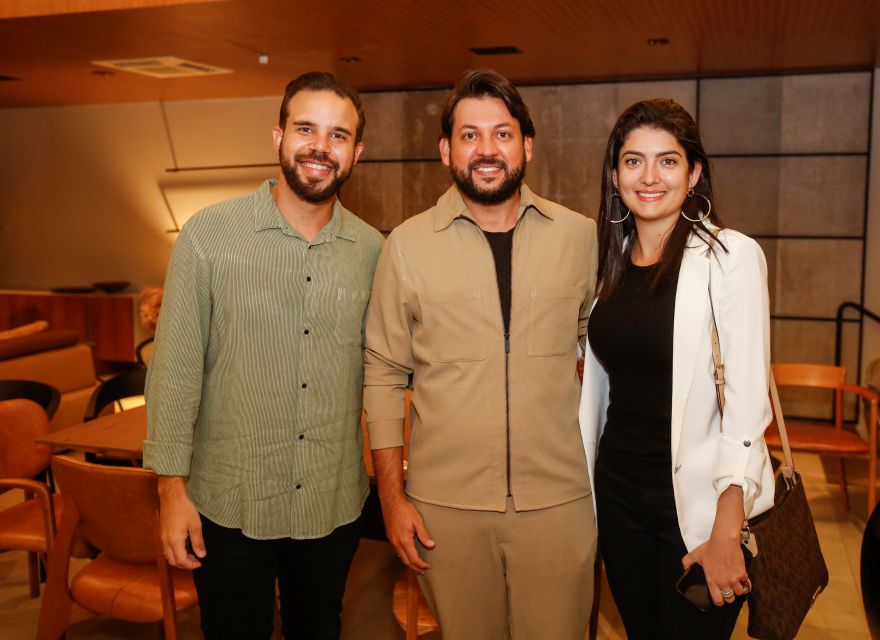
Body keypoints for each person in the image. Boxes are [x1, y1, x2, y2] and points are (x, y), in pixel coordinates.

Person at [143, 71, 382, 640]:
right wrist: (170, 491)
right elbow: (173, 374)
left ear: (357, 152)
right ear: (277, 136)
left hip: (331, 502)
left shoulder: (375, 252)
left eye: (338, 135)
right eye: (306, 129)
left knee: (319, 629)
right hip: (227, 502)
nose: (320, 147)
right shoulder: (208, 237)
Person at [363, 69, 598, 640]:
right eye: (470, 135)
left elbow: (607, 361)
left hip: (561, 504)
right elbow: (383, 375)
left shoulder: (581, 237)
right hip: (445, 509)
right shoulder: (406, 246)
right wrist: (392, 500)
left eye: (502, 133)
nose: (487, 149)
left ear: (527, 144)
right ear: (446, 149)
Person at [579, 99, 776, 639]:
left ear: (694, 174)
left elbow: (746, 405)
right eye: (633, 161)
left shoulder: (728, 258)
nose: (649, 177)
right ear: (615, 175)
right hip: (618, 499)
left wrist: (727, 530)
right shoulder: (609, 263)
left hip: (698, 510)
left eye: (668, 161)